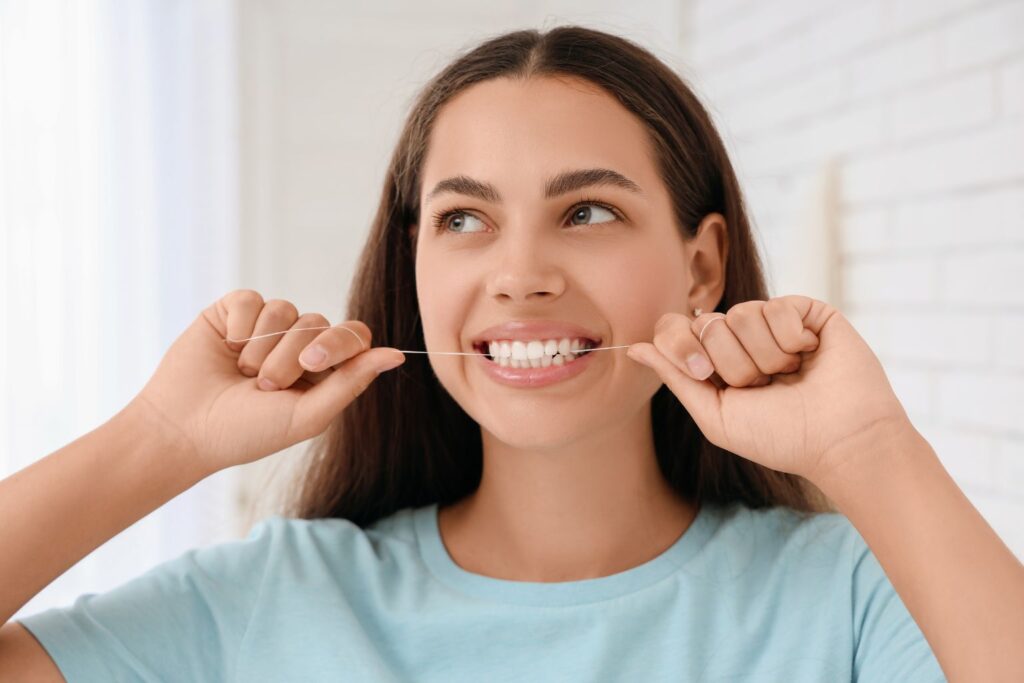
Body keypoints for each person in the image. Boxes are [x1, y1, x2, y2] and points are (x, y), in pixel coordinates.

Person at [1, 25, 1021, 682]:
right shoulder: (271, 598)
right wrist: (160, 436)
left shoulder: (848, 593)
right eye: (463, 219)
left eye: (586, 210)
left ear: (702, 264)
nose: (520, 272)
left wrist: (868, 446)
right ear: (412, 263)